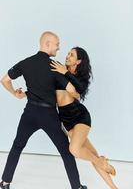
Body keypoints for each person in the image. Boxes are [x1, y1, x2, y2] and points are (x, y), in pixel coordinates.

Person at [0, 32, 87, 189]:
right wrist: (66, 75)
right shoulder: (54, 67)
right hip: (49, 116)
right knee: (66, 152)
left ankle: (5, 183)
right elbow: (74, 91)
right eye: (56, 44)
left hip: (30, 113)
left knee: (17, 146)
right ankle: (77, 187)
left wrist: (15, 94)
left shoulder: (25, 63)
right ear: (47, 44)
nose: (59, 47)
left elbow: (4, 80)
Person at [50, 47, 118, 189]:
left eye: (71, 55)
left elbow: (80, 89)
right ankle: (113, 185)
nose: (67, 56)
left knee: (74, 149)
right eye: (68, 54)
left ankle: (100, 162)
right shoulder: (58, 72)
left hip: (80, 117)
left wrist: (66, 72)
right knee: (93, 155)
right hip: (66, 121)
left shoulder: (77, 77)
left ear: (78, 61)